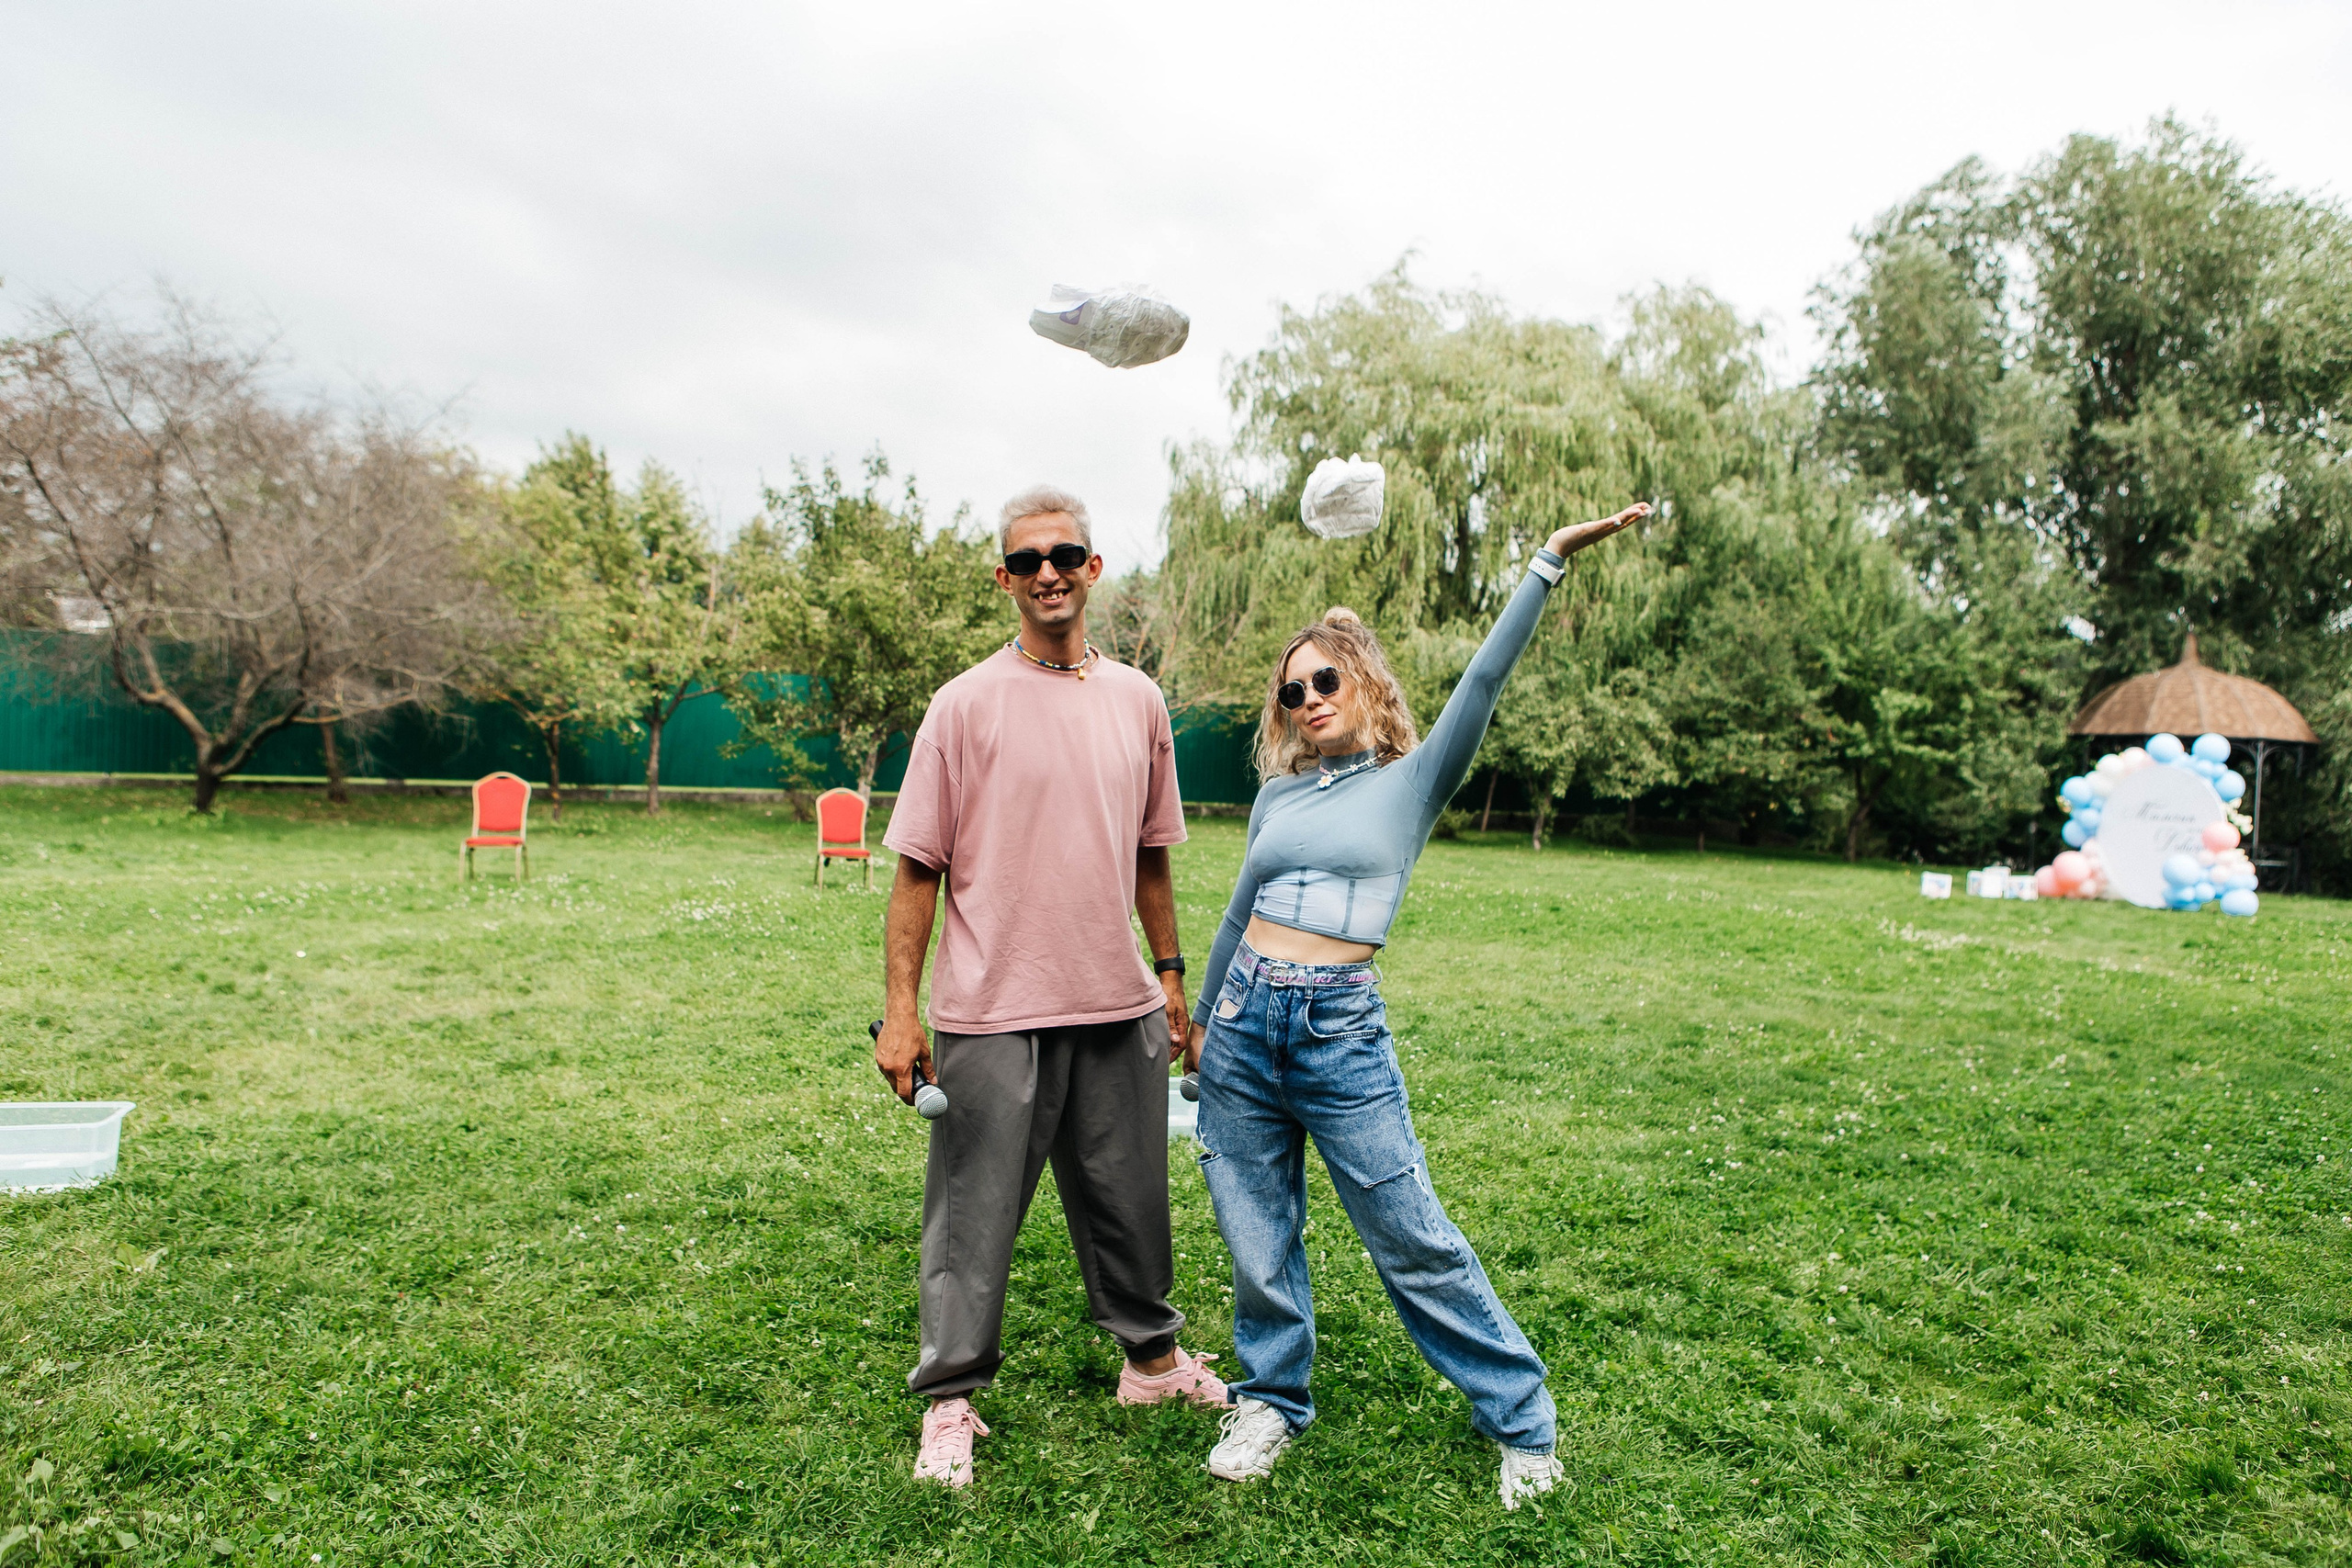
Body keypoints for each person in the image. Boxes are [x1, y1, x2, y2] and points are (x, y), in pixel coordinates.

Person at [1187, 502, 1649, 1508]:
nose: (1307, 698)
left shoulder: (1412, 781)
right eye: (1291, 689)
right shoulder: (1279, 797)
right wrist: (1200, 1022)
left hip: (1335, 1031)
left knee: (1412, 1237)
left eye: (1324, 680)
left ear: (1363, 684)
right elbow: (1235, 914)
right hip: (1239, 1031)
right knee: (1256, 1235)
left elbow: (1483, 680)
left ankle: (1522, 1423)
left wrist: (1547, 562)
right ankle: (1269, 1400)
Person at [876, 485, 1228, 1490]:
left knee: (1131, 1201)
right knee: (970, 1215)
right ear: (1004, 579)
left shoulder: (1139, 701)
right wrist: (903, 1013)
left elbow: (1152, 856)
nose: (1047, 574)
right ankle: (950, 1401)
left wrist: (1167, 975)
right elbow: (915, 870)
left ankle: (1152, 1365)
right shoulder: (962, 704)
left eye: (1064, 555)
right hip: (993, 1005)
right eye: (1026, 561)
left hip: (1115, 1002)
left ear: (1093, 568)